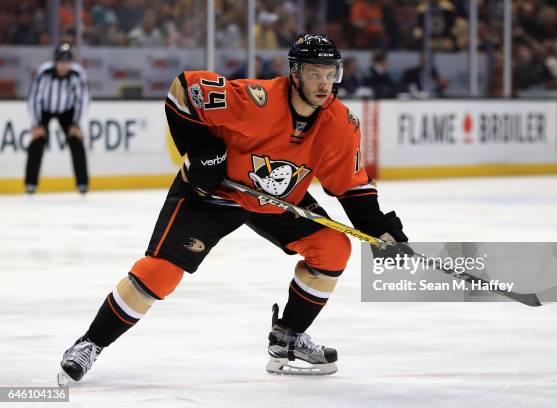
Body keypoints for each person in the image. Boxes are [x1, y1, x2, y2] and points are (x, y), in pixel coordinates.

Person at [57, 33, 408, 383]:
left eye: (330, 74)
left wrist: (377, 227)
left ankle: (287, 339)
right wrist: (204, 150)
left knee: (333, 248)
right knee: (160, 273)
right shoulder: (256, 101)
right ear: (296, 73)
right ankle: (90, 344)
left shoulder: (340, 125)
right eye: (315, 73)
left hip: (279, 200)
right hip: (217, 193)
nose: (324, 84)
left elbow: (350, 184)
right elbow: (184, 90)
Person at [25, 42, 90, 194]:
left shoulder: (77, 74)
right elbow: (33, 98)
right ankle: (30, 184)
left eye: (67, 62)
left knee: (76, 140)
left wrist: (76, 123)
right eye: (61, 62)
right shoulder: (44, 72)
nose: (64, 66)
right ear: (55, 61)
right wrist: (36, 124)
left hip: (67, 111)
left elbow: (83, 100)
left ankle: (82, 184)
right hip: (45, 110)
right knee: (37, 140)